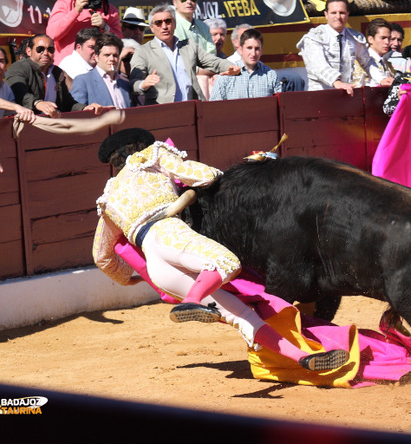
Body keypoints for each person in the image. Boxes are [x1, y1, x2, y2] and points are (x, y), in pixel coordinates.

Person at [92, 128, 350, 372]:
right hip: (169, 232)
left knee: (240, 316)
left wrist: (130, 278)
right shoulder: (151, 156)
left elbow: (102, 257)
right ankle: (192, 302)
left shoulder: (108, 197)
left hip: (156, 264)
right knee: (226, 263)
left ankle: (303, 358)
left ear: (115, 163)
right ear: (138, 148)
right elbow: (204, 175)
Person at [129, 4, 239, 104]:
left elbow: (213, 61)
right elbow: (133, 84)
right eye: (158, 23)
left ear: (174, 24)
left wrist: (229, 66)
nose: (164, 26)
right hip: (162, 112)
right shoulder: (143, 51)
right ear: (152, 28)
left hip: (192, 108)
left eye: (168, 21)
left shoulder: (189, 46)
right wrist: (143, 84)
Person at [5, 34, 103, 118]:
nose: (46, 53)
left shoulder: (56, 71)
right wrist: (37, 103)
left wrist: (84, 108)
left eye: (50, 49)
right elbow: (18, 92)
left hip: (52, 124)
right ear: (29, 51)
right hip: (27, 124)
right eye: (40, 49)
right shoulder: (18, 67)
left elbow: (67, 103)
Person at [296, 0, 379, 96]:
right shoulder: (314, 37)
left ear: (347, 14)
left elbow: (367, 62)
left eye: (342, 13)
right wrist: (337, 82)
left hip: (346, 94)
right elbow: (317, 66)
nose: (338, 17)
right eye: (333, 13)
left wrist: (382, 78)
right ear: (326, 14)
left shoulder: (354, 37)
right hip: (320, 95)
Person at [210, 29, 281, 101]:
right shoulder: (226, 75)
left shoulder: (271, 75)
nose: (253, 53)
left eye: (257, 49)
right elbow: (214, 107)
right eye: (249, 48)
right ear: (240, 49)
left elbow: (280, 106)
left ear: (261, 50)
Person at [46, 0, 123, 66]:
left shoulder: (110, 11)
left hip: (98, 71)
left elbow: (119, 43)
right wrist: (75, 11)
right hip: (66, 70)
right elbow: (51, 34)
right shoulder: (65, 3)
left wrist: (105, 27)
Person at [71, 33, 130, 108]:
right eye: (107, 55)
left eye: (115, 55)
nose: (111, 59)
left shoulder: (124, 83)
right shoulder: (83, 81)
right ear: (96, 57)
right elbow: (76, 110)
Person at [363, 18, 394, 86]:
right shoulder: (362, 62)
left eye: (389, 38)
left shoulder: (387, 63)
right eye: (383, 38)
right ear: (370, 39)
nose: (387, 42)